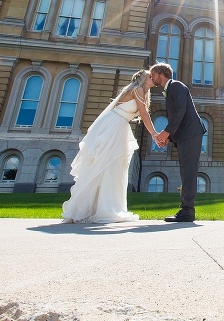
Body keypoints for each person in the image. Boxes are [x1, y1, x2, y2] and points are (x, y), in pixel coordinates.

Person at [62, 69, 157, 223]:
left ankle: (101, 207)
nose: (153, 78)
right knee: (106, 164)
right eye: (150, 76)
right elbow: (144, 114)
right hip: (114, 126)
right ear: (143, 79)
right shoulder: (138, 89)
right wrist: (154, 134)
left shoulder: (142, 92)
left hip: (119, 125)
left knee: (113, 167)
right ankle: (98, 209)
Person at [150, 62, 205, 222]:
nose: (152, 78)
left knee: (188, 172)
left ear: (161, 73)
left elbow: (180, 111)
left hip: (190, 133)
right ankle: (187, 210)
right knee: (186, 172)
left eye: (153, 75)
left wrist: (166, 132)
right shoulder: (171, 89)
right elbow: (178, 115)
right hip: (186, 134)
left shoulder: (176, 86)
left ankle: (187, 211)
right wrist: (169, 137)